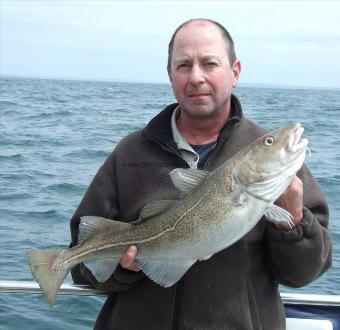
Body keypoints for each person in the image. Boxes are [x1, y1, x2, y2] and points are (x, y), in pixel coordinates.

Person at [70, 18, 332, 329]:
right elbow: (82, 265)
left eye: (209, 63)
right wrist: (126, 267)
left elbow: (304, 274)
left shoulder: (279, 164)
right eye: (183, 65)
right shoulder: (129, 152)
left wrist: (295, 221)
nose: (196, 77)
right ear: (170, 75)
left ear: (234, 72)